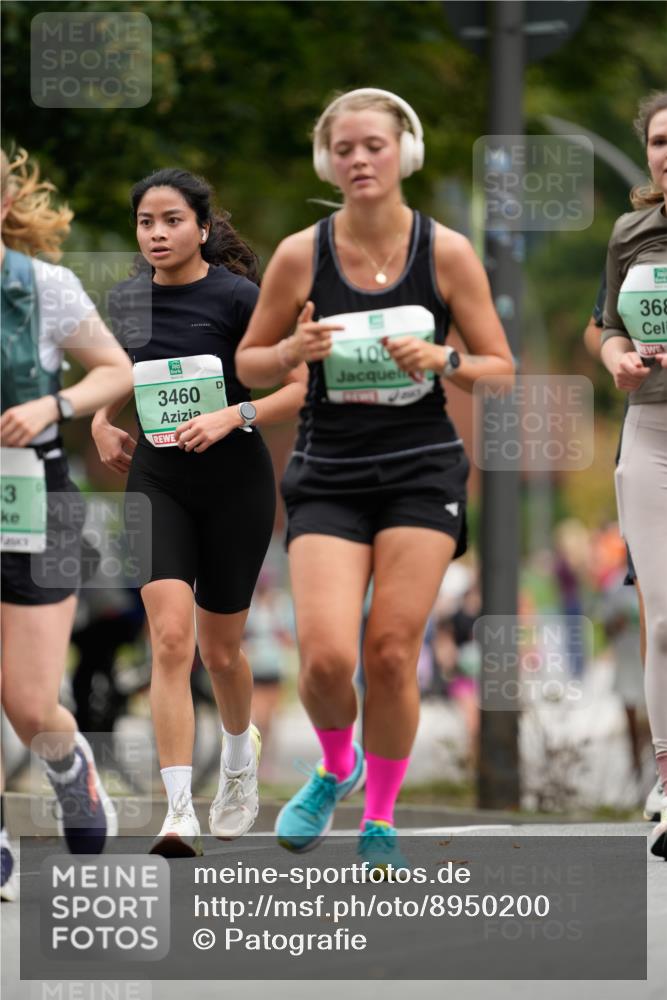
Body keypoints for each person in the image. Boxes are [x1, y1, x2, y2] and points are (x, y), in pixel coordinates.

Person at [235, 88, 513, 870]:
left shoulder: (446, 252)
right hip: (328, 472)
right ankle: (336, 764)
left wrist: (443, 360)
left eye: (373, 146)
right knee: (324, 659)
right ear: (328, 160)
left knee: (390, 651)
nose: (359, 159)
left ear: (404, 153)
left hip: (421, 471)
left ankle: (381, 816)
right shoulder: (302, 253)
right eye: (345, 148)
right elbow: (249, 361)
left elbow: (499, 370)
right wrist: (292, 352)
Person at [92, 169, 305, 857]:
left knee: (220, 650)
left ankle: (240, 756)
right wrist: (100, 420)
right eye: (146, 222)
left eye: (172, 220)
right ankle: (178, 810)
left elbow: (298, 387)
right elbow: (113, 373)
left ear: (203, 229)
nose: (157, 233)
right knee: (171, 642)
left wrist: (230, 415)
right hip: (157, 481)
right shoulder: (127, 302)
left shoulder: (241, 297)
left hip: (235, 483)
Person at [0, 147, 134, 899]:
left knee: (27, 698)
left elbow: (115, 370)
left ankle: (68, 767)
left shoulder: (43, 288)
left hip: (33, 503)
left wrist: (53, 406)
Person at [600, 91, 667, 859]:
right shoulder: (629, 231)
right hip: (648, 430)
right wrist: (615, 353)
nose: (664, 153)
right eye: (656, 140)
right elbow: (608, 322)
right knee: (661, 619)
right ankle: (665, 780)